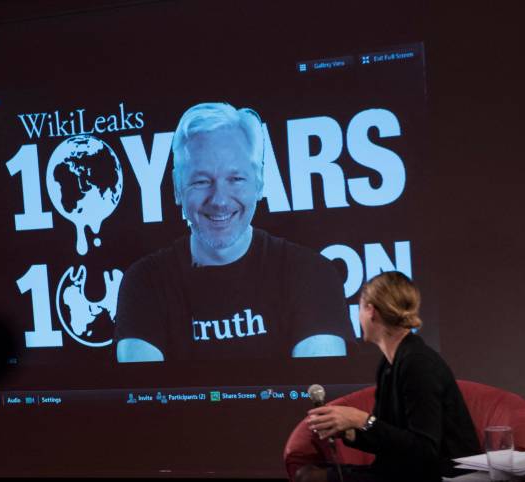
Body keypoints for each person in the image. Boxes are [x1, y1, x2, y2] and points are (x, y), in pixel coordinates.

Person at [114, 102, 351, 362]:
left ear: (259, 183)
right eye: (201, 181)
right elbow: (142, 399)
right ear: (177, 187)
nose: (219, 200)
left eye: (235, 179)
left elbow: (320, 396)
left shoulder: (313, 274)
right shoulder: (145, 283)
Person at [300, 271, 480, 482]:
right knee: (307, 474)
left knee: (313, 478)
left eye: (359, 308)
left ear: (371, 311)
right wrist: (347, 430)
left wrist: (361, 419)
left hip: (440, 474)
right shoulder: (389, 363)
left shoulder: (418, 363)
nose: (357, 317)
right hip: (403, 469)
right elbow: (388, 437)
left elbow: (425, 450)